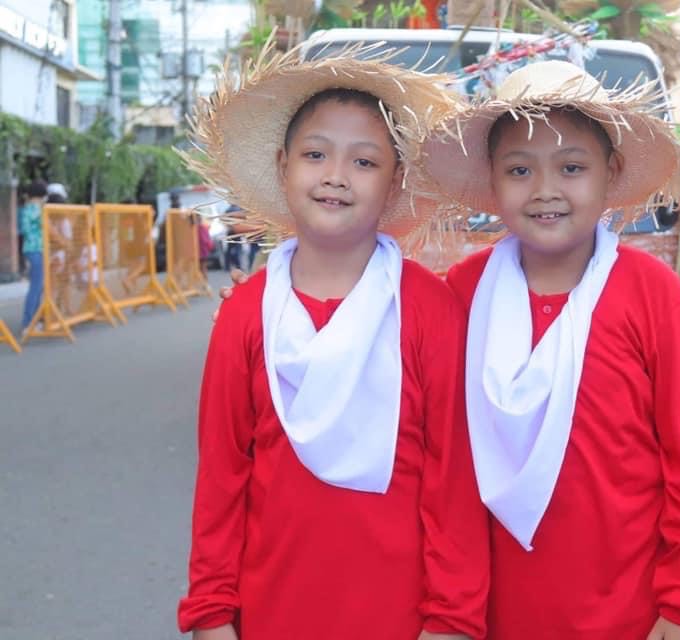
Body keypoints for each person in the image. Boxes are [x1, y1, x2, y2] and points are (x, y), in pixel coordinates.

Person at [177, 50, 488, 638]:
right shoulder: (245, 314)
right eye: (315, 154)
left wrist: (451, 618)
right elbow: (222, 477)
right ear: (283, 165)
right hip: (271, 614)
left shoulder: (430, 310)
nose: (336, 176)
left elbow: (454, 481)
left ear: (395, 180)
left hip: (402, 618)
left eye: (364, 161)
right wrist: (211, 612)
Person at [422, 60, 680, 640]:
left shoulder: (652, 293)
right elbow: (445, 471)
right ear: (493, 180)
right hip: (492, 615)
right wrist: (449, 611)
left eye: (571, 167)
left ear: (609, 173)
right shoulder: (461, 293)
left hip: (630, 615)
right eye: (520, 169)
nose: (546, 190)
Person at [19, 181, 47, 335]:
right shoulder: (38, 210)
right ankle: (28, 323)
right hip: (36, 249)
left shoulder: (26, 209)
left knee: (37, 286)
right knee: (36, 287)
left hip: (30, 249)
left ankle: (33, 321)